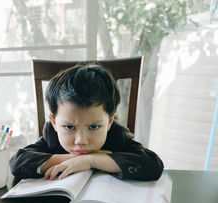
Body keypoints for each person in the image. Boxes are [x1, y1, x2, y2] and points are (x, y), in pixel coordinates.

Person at [10, 64, 164, 181]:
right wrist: (74, 160)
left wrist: (91, 160)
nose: (81, 140)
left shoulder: (116, 135)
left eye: (94, 127)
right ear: (54, 123)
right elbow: (18, 162)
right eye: (69, 127)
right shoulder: (52, 135)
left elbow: (153, 165)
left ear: (109, 122)